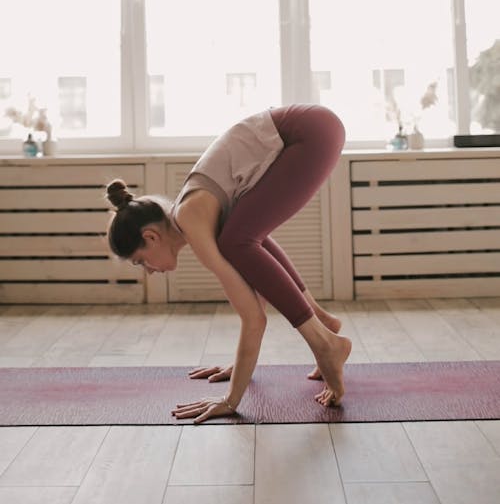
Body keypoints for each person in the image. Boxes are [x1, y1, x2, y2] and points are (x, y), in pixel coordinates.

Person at [106, 103, 351, 424]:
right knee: (243, 239)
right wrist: (240, 367)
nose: (150, 271)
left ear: (151, 237)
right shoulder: (197, 212)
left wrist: (231, 399)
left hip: (309, 133)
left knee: (238, 241)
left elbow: (254, 318)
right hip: (314, 128)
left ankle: (324, 342)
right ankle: (324, 323)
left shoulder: (191, 217)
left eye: (141, 262)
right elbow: (256, 278)